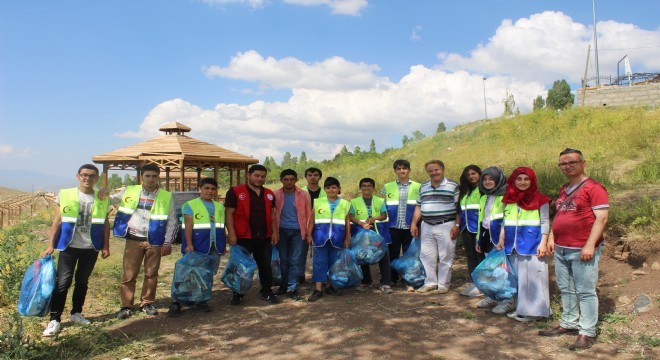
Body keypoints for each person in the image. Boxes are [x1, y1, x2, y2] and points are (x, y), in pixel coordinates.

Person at [539, 148, 609, 351]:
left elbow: (602, 218)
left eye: (572, 162)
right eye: (563, 164)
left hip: (582, 248)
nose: (567, 166)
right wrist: (552, 237)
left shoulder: (594, 188)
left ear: (583, 163)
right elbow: (560, 215)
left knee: (585, 290)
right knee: (566, 287)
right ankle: (569, 322)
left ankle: (587, 331)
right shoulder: (564, 189)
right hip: (561, 247)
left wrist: (589, 244)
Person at [42, 164, 110, 337]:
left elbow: (105, 223)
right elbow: (57, 221)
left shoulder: (102, 197)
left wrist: (106, 246)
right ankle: (55, 319)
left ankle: (76, 313)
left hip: (91, 247)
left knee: (82, 281)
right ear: (78, 176)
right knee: (63, 282)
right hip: (68, 246)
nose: (88, 178)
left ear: (97, 178)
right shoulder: (66, 194)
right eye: (84, 175)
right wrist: (51, 245)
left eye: (92, 175)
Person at [111, 164, 177, 319]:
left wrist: (167, 242)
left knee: (151, 274)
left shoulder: (166, 196)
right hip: (134, 239)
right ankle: (126, 306)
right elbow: (109, 200)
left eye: (154, 176)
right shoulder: (130, 191)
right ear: (142, 177)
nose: (151, 179)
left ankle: (147, 303)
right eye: (147, 176)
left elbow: (172, 221)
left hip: (155, 241)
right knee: (129, 274)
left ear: (158, 177)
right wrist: (101, 193)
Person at [494, 167, 552, 321]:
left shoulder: (541, 199)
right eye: (519, 179)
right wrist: (501, 238)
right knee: (519, 279)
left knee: (534, 278)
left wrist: (544, 242)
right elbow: (504, 221)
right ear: (513, 180)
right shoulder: (509, 199)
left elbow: (545, 221)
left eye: (526, 179)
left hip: (532, 244)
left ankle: (536, 312)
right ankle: (523, 309)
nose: (523, 182)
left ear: (532, 181)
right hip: (512, 245)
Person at [168, 178, 226, 316]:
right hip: (197, 245)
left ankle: (201, 300)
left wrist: (224, 243)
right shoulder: (191, 205)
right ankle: (177, 301)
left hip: (214, 246)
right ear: (200, 189)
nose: (209, 191)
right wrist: (189, 244)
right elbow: (188, 226)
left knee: (208, 273)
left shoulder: (219, 207)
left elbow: (221, 227)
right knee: (187, 274)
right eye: (206, 188)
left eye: (212, 189)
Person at [225, 164, 280, 305]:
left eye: (262, 176)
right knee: (240, 267)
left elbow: (272, 214)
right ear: (248, 175)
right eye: (256, 175)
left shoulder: (269, 193)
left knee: (265, 265)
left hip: (264, 236)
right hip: (243, 237)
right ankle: (238, 293)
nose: (259, 179)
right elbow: (229, 214)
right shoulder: (235, 192)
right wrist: (231, 233)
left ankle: (267, 291)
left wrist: (274, 232)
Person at [410, 160, 461, 294]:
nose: (434, 173)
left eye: (436, 170)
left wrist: (457, 225)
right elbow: (418, 206)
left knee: (445, 256)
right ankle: (430, 283)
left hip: (446, 225)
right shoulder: (424, 186)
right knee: (426, 255)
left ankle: (443, 285)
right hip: (426, 225)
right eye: (430, 171)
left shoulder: (453, 186)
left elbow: (459, 209)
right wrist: (414, 223)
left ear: (443, 170)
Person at [308, 177, 351, 302]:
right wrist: (309, 235)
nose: (331, 190)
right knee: (319, 262)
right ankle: (318, 289)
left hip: (338, 238)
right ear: (325, 189)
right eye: (328, 188)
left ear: (338, 189)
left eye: (334, 187)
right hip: (320, 238)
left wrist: (347, 238)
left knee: (334, 263)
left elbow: (347, 222)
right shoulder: (318, 202)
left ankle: (330, 286)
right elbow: (312, 220)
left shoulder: (345, 203)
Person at [273, 169, 313, 302]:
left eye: (291, 179)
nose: (289, 182)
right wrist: (274, 232)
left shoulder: (304, 194)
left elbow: (309, 214)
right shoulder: (275, 195)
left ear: (296, 180)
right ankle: (284, 285)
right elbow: (272, 215)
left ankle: (292, 287)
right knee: (283, 260)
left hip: (298, 231)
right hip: (281, 231)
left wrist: (308, 233)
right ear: (281, 180)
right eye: (286, 179)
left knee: (295, 260)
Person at [349, 178, 393, 294]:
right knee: (363, 257)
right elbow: (351, 216)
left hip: (378, 234)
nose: (366, 188)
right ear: (360, 188)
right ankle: (366, 281)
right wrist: (362, 223)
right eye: (363, 186)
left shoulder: (380, 201)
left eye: (369, 186)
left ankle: (386, 282)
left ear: (373, 187)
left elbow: (384, 215)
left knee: (383, 257)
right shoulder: (354, 202)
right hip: (362, 233)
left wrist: (374, 218)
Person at [473, 167, 508, 310]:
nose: (487, 182)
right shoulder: (484, 197)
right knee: (490, 269)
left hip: (501, 237)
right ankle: (494, 296)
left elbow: (507, 218)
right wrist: (478, 240)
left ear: (498, 180)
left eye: (491, 179)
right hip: (486, 236)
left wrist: (503, 237)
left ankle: (507, 299)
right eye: (485, 179)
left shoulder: (506, 196)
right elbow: (482, 219)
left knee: (502, 270)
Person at [383, 159, 421, 290]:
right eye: (398, 168)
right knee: (392, 253)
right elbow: (384, 206)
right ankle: (392, 278)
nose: (402, 171)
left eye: (404, 168)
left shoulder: (418, 186)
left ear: (409, 170)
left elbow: (420, 206)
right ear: (395, 171)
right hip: (393, 226)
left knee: (409, 254)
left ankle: (407, 278)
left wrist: (416, 224)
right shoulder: (387, 187)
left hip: (410, 226)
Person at [457, 165, 483, 297]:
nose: (471, 177)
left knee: (480, 256)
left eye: (474, 173)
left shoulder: (484, 190)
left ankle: (482, 285)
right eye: (468, 175)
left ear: (479, 174)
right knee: (470, 256)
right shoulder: (465, 191)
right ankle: (474, 282)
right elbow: (460, 211)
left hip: (479, 229)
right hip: (466, 228)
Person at [299, 167, 326, 284]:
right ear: (306, 177)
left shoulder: (325, 192)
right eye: (310, 175)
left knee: (320, 254)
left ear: (320, 177)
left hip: (321, 227)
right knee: (301, 253)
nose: (313, 177)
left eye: (315, 175)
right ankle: (300, 276)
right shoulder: (299, 192)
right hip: (303, 226)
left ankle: (320, 278)